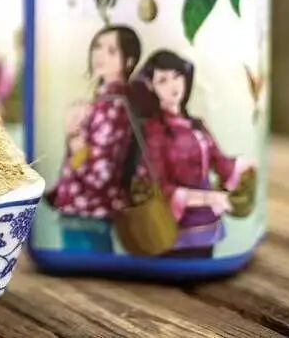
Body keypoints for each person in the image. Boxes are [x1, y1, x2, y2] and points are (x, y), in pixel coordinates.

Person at [132, 50, 255, 258]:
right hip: (173, 227)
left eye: (177, 76)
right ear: (151, 87)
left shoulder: (197, 125)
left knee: (207, 265)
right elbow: (158, 186)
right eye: (163, 80)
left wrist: (245, 167)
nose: (173, 85)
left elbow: (220, 162)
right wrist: (207, 198)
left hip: (207, 223)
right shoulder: (154, 130)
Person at [46, 25, 141, 253]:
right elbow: (87, 161)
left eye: (111, 51)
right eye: (98, 47)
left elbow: (100, 176)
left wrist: (75, 141)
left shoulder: (113, 106)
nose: (100, 55)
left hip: (88, 214)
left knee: (85, 268)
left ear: (129, 62)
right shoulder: (106, 102)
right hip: (85, 212)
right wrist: (75, 139)